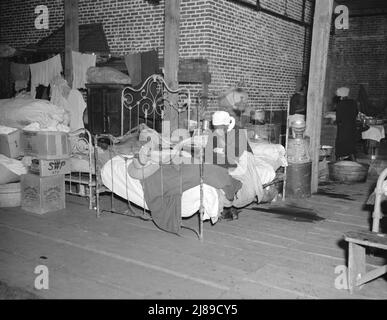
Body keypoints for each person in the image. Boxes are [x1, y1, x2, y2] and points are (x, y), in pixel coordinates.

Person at [335, 87, 358, 161]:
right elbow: (356, 113)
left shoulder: (340, 104)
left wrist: (335, 121)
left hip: (343, 129)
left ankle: (339, 163)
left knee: (341, 147)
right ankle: (355, 163)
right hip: (352, 128)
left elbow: (338, 119)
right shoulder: (353, 102)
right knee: (351, 148)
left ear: (340, 96)